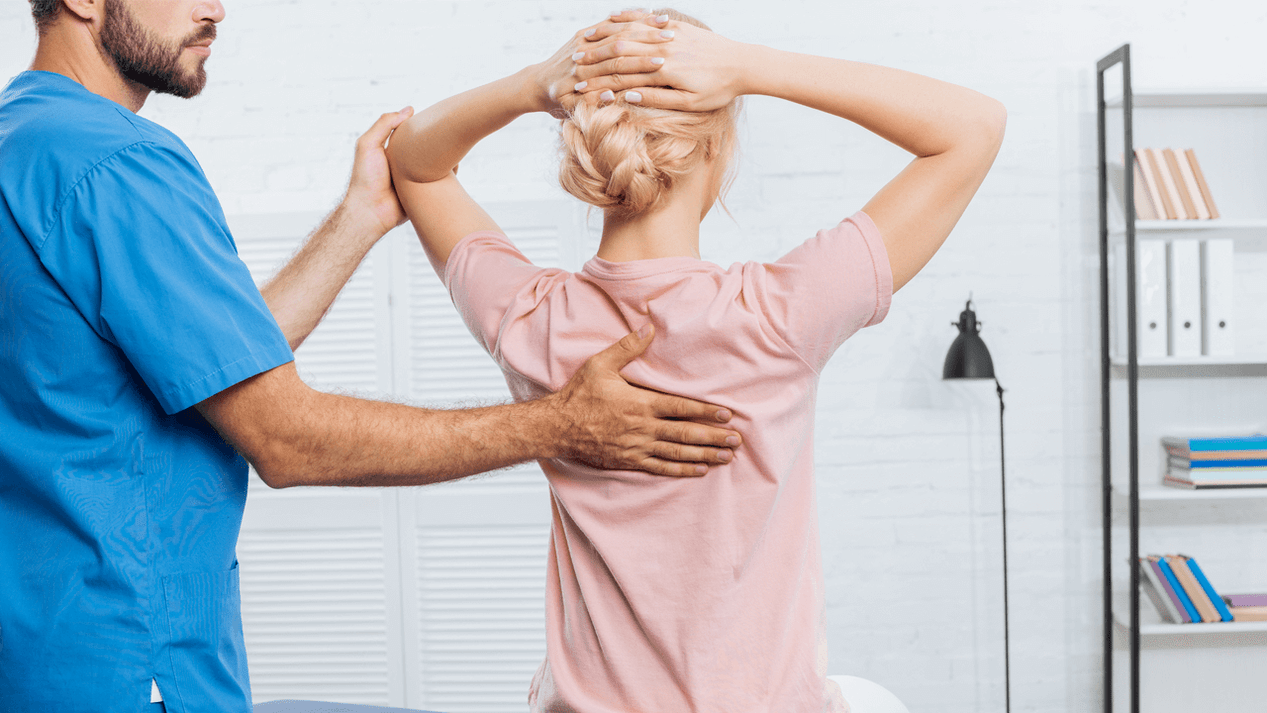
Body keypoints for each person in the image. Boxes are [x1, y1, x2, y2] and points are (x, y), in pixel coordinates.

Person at [0, 2, 743, 712]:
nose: (216, 9)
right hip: (131, 667)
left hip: (39, 657)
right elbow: (284, 437)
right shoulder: (118, 163)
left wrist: (359, 218)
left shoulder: (24, 143)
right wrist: (559, 425)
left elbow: (215, 365)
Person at [387, 8, 1005, 712]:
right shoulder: (777, 313)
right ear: (713, 148)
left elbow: (414, 163)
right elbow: (972, 128)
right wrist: (750, 65)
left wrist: (533, 84)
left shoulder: (533, 319)